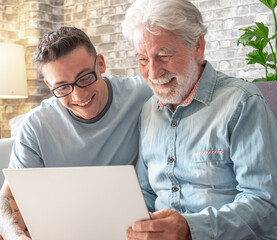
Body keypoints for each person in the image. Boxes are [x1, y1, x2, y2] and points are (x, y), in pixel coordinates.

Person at [122, 0, 277, 239]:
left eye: (163, 56)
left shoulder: (242, 102)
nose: (153, 73)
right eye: (142, 59)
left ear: (198, 46)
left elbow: (265, 205)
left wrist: (190, 229)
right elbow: (144, 194)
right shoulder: (148, 110)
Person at [0, 26, 152, 239]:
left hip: (129, 231)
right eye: (62, 87)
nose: (79, 95)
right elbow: (9, 196)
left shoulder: (144, 94)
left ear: (101, 63)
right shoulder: (35, 125)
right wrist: (17, 237)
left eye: (85, 77)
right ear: (49, 85)